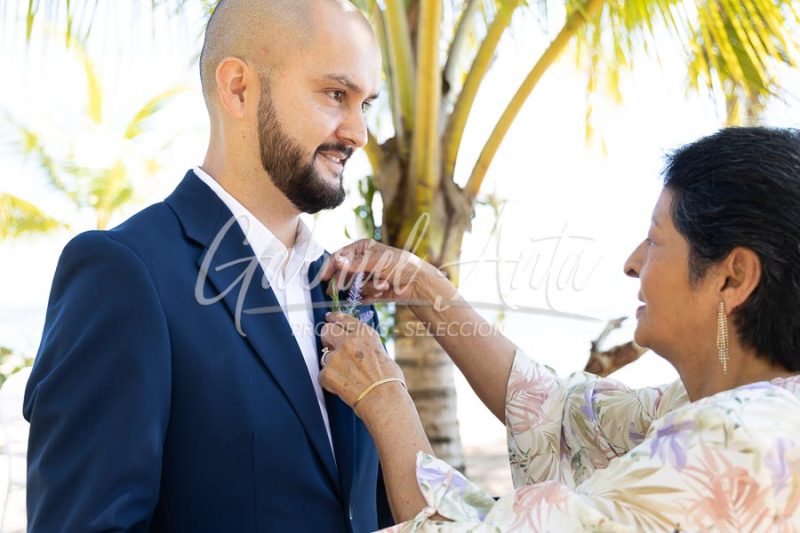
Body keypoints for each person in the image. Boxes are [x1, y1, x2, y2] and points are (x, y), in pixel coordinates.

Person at [23, 1, 391, 531]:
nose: (357, 131)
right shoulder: (124, 274)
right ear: (239, 88)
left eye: (366, 105)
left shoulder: (341, 290)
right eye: (336, 95)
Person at [318, 127, 800, 531]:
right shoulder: (739, 408)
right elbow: (558, 410)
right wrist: (423, 285)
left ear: (733, 277)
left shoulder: (739, 444)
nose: (632, 264)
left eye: (654, 241)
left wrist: (385, 398)